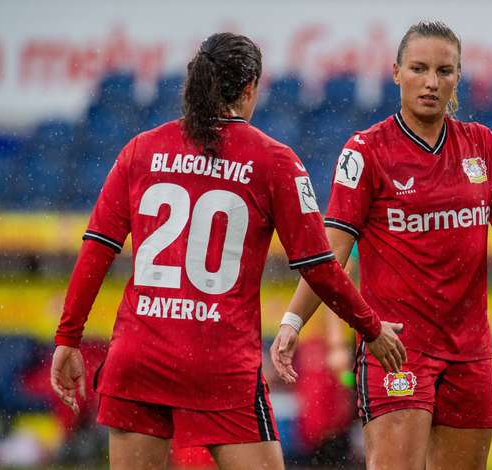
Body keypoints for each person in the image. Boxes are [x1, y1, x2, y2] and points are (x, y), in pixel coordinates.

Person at [49, 32, 406, 470]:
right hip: (216, 364)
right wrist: (371, 327)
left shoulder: (141, 150)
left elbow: (97, 251)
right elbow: (319, 266)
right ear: (251, 87)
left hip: (139, 357)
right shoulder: (274, 161)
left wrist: (68, 338)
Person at [270, 21, 492, 470]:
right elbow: (333, 250)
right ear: (396, 72)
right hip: (396, 347)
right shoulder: (366, 151)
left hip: (469, 350)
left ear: (458, 76)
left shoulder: (482, 146)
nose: (432, 82)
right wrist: (292, 320)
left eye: (445, 70)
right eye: (419, 68)